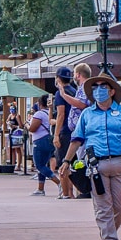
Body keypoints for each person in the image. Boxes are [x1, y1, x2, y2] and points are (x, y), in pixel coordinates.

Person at [58, 76, 121, 240]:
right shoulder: (87, 114)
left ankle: (109, 233)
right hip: (96, 165)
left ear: (112, 91)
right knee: (103, 206)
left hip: (119, 164)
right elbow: (76, 140)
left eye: (102, 86)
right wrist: (66, 161)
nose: (98, 90)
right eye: (95, 87)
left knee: (119, 207)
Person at [60, 63, 93, 198]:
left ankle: (87, 189)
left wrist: (63, 95)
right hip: (78, 131)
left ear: (78, 74)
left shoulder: (84, 87)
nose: (74, 76)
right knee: (80, 159)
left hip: (82, 132)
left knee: (83, 160)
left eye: (75, 73)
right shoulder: (81, 88)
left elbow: (81, 103)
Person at [28, 94, 61, 196]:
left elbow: (32, 129)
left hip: (40, 141)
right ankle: (40, 188)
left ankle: (59, 183)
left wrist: (26, 125)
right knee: (43, 164)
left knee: (39, 165)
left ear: (40, 103)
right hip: (49, 140)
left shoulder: (39, 114)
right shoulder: (51, 114)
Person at [53, 66, 77, 199]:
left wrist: (56, 134)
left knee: (63, 163)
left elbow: (61, 114)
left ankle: (66, 193)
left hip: (65, 132)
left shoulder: (60, 94)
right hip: (75, 131)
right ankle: (72, 192)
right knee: (72, 163)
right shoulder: (74, 91)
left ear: (58, 78)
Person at [6, 103, 24, 171]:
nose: (11, 110)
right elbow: (7, 121)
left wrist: (14, 126)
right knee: (12, 149)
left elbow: (21, 126)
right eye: (10, 109)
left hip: (17, 134)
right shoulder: (10, 115)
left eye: (13, 109)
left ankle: (18, 165)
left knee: (18, 149)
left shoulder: (17, 116)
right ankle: (13, 164)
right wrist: (8, 123)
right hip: (11, 133)